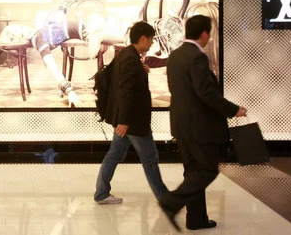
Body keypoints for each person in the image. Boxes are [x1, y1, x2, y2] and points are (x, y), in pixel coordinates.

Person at [158, 15, 247, 232]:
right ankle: (171, 202)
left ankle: (196, 219)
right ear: (205, 33)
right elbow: (205, 92)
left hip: (181, 125)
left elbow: (178, 90)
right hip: (199, 127)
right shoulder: (197, 57)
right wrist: (233, 109)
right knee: (207, 170)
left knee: (193, 171)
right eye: (209, 34)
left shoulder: (176, 55)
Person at [93, 21, 169, 205]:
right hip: (133, 121)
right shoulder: (130, 59)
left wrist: (143, 72)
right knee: (150, 158)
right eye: (151, 40)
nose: (152, 44)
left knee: (115, 154)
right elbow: (126, 91)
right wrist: (124, 120)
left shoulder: (127, 55)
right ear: (143, 38)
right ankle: (166, 199)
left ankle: (101, 193)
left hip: (125, 119)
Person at [31, 0, 124, 107]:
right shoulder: (37, 39)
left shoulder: (45, 25)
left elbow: (61, 12)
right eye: (16, 33)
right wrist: (69, 91)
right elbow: (52, 67)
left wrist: (69, 2)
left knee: (129, 38)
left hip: (89, 27)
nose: (22, 29)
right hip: (88, 30)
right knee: (128, 38)